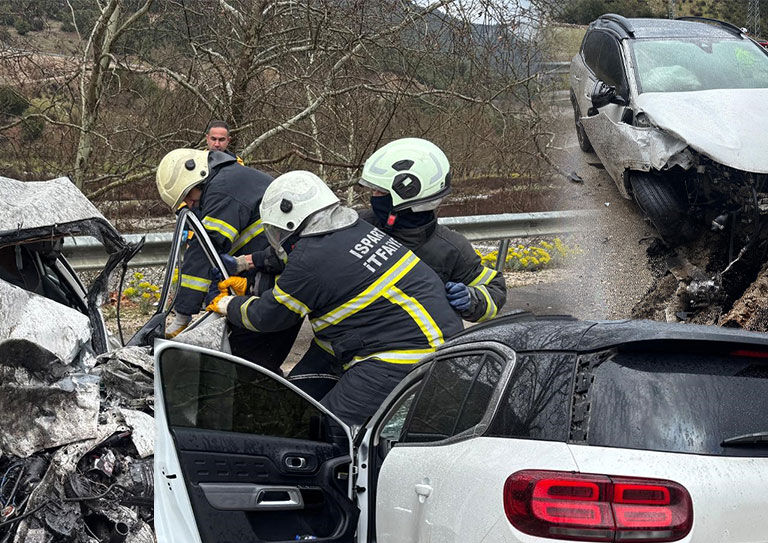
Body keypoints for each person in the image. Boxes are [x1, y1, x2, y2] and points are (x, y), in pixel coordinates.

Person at [205, 170, 463, 425]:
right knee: (297, 400)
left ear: (292, 223)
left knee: (330, 427)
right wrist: (245, 264)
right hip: (413, 335)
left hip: (406, 354)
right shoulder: (353, 228)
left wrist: (227, 303)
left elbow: (267, 316)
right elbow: (295, 259)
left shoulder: (310, 259)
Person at [154, 147, 297, 369]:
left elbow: (205, 248)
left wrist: (182, 314)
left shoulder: (223, 191)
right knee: (254, 365)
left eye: (188, 196)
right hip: (277, 274)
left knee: (242, 369)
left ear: (197, 178)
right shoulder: (230, 179)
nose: (189, 204)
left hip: (281, 287)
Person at [357, 138, 506, 323]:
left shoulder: (451, 248)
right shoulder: (357, 225)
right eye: (373, 191)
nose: (374, 197)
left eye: (381, 192)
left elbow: (495, 290)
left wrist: (473, 298)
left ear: (408, 193)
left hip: (417, 339)